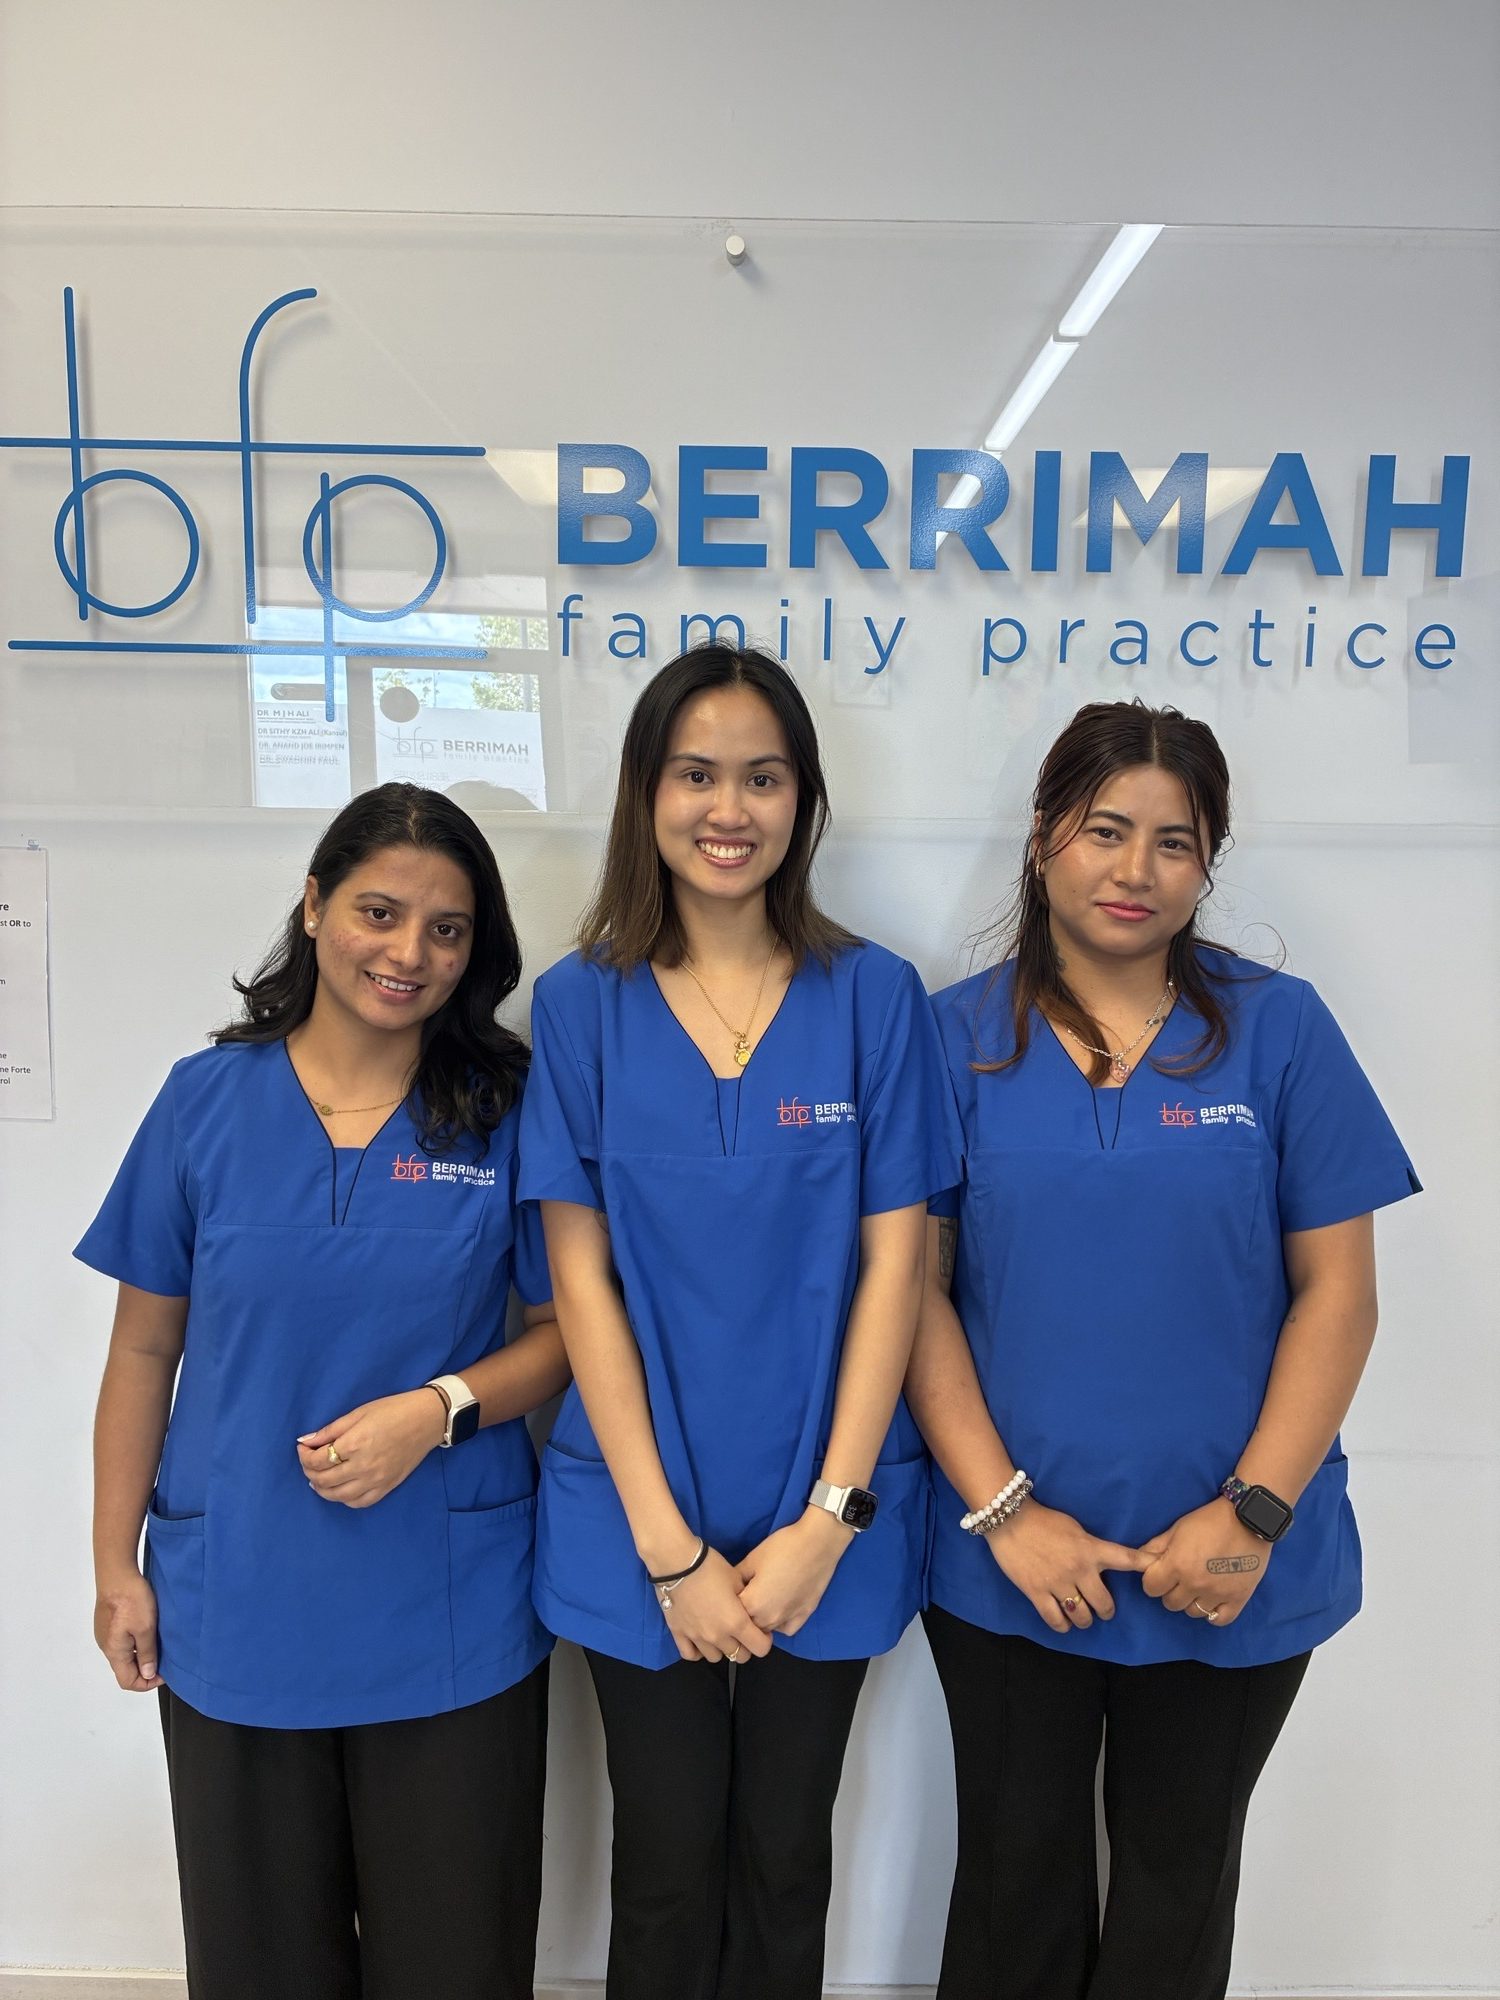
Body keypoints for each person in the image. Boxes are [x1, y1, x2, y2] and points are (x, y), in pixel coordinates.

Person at [907, 700, 1420, 2000]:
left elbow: (1340, 1295)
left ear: (1207, 864)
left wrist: (1252, 1512)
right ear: (1043, 837)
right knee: (1012, 1897)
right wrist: (1007, 1514)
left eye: (1175, 842)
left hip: (1234, 1564)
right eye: (1104, 831)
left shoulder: (1280, 1029)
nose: (1135, 870)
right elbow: (914, 1298)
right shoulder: (951, 1037)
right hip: (1014, 1564)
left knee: (1174, 1905)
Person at [519, 644, 961, 2000]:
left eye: (763, 778)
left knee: (783, 1854)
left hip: (823, 1504)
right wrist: (668, 1550)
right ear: (646, 794)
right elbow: (580, 1284)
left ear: (804, 800)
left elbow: (899, 1268)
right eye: (696, 774)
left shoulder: (873, 997)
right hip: (633, 1511)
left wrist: (829, 1517)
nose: (730, 809)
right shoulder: (580, 1005)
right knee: (661, 1859)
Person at [80, 782, 568, 2000]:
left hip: (446, 1607)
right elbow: (142, 1350)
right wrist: (114, 1564)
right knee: (261, 1962)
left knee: (456, 1959)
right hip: (239, 1597)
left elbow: (567, 1336)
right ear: (313, 906)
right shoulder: (205, 1101)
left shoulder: (506, 1109)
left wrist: (438, 1408)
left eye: (446, 929)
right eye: (378, 911)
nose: (409, 952)